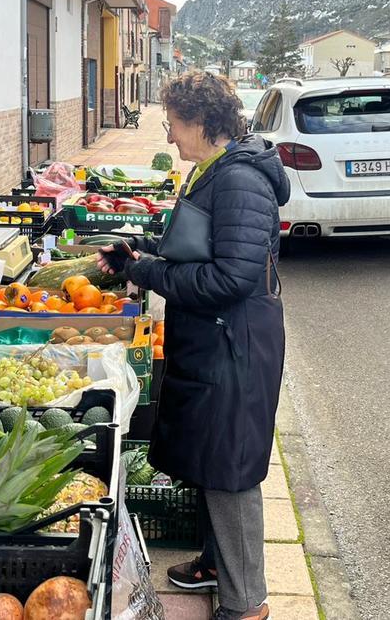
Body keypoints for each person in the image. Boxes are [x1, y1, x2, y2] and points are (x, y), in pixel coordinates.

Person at [97, 70, 289, 620]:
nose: (170, 136)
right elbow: (199, 242)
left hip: (236, 347)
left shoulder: (240, 182)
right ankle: (214, 563)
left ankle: (246, 603)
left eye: (174, 124)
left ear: (203, 123)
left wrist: (153, 273)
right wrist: (141, 250)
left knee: (230, 469)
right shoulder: (213, 169)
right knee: (210, 456)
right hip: (213, 342)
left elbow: (231, 278)